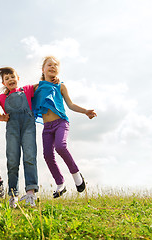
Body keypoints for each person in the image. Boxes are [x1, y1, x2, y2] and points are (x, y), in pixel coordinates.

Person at [32, 56, 97, 198]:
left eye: (55, 65)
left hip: (61, 122)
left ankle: (76, 175)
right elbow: (24, 93)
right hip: (47, 127)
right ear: (43, 69)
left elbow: (71, 104)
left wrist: (86, 111)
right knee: (47, 155)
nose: (52, 67)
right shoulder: (37, 88)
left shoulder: (61, 86)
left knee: (60, 147)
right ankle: (60, 184)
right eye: (49, 65)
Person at [0, 67, 39, 208]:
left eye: (12, 76)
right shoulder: (1, 98)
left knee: (29, 157)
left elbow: (42, 84)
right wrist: (0, 117)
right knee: (13, 161)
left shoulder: (26, 90)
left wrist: (51, 79)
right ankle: (13, 196)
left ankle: (31, 193)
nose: (10, 80)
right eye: (6, 79)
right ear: (4, 83)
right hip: (12, 130)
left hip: (28, 127)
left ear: (18, 78)